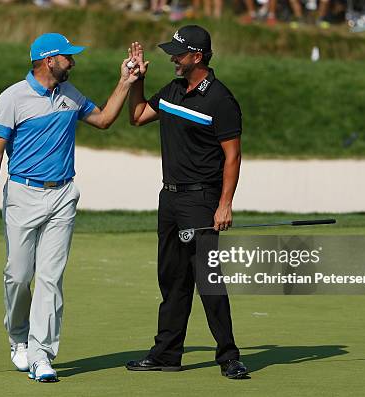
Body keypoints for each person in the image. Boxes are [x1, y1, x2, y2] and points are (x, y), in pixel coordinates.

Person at [0, 32, 140, 382]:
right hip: (22, 194)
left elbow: (105, 119)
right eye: (67, 57)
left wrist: (125, 81)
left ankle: (41, 354)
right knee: (18, 276)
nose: (73, 62)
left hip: (63, 194)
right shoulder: (13, 98)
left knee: (50, 278)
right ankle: (18, 338)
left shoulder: (69, 95)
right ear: (49, 60)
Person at [124, 25, 248, 379]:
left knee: (208, 280)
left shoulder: (220, 99)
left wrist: (224, 204)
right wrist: (136, 81)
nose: (172, 59)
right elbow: (137, 117)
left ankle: (228, 356)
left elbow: (233, 157)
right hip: (171, 199)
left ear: (198, 56)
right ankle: (167, 353)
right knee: (172, 279)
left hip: (202, 200)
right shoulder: (174, 91)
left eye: (178, 54)